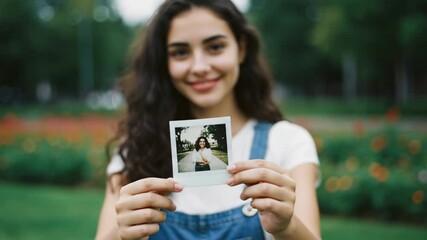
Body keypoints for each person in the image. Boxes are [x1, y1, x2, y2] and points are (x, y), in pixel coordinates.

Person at [96, 0, 321, 239]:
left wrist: (287, 227)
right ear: (164, 62)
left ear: (241, 49)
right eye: (180, 52)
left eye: (215, 47)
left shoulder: (287, 141)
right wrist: (120, 234)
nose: (200, 67)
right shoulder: (136, 148)